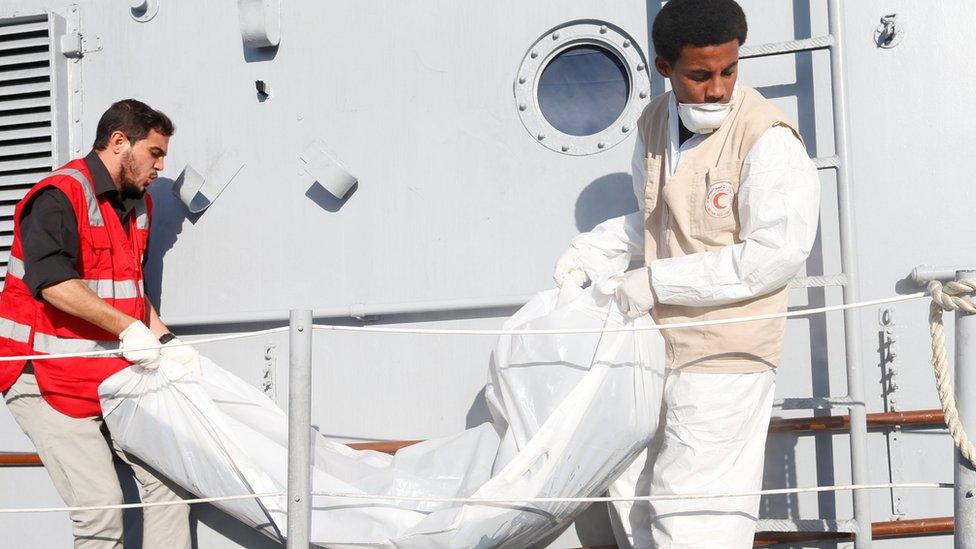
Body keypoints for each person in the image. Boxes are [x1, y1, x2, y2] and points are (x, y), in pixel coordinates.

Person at [553, 0, 822, 547]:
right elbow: (657, 218)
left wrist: (656, 282)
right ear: (664, 68)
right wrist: (595, 248)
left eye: (729, 71)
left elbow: (776, 253)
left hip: (727, 354)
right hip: (656, 347)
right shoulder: (653, 124)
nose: (718, 89)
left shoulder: (767, 140)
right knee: (631, 490)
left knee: (696, 514)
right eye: (700, 75)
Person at [0, 99, 201, 548]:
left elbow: (129, 291)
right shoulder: (59, 196)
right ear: (118, 143)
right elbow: (52, 283)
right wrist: (128, 331)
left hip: (103, 376)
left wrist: (165, 340)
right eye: (155, 153)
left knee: (170, 485)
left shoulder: (139, 205)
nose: (161, 165)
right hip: (42, 378)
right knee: (102, 512)